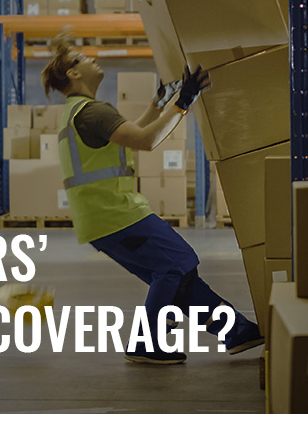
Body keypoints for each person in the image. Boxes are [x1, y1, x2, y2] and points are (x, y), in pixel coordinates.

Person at [41, 32, 263, 365]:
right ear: (73, 73)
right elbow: (145, 140)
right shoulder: (91, 112)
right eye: (82, 58)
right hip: (116, 214)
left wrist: (158, 103)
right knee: (177, 262)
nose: (91, 59)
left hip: (102, 219)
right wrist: (182, 103)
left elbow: (129, 131)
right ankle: (147, 341)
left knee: (178, 276)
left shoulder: (80, 112)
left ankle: (237, 331)